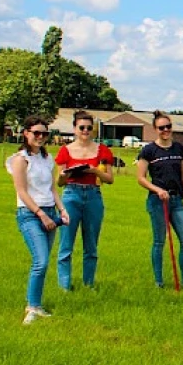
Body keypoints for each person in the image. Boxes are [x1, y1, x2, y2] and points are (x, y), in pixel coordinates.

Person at [6, 115, 70, 324]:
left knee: (43, 262)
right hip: (30, 214)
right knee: (40, 261)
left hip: (51, 212)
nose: (41, 137)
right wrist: (40, 214)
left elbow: (51, 187)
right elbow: (22, 191)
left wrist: (62, 209)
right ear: (26, 133)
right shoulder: (19, 159)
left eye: (44, 133)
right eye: (36, 133)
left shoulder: (46, 158)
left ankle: (37, 305)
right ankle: (32, 307)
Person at [55, 110, 114, 290]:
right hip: (71, 194)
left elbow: (109, 179)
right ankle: (65, 286)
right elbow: (59, 182)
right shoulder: (65, 150)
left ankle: (89, 284)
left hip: (93, 195)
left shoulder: (102, 150)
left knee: (91, 245)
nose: (86, 131)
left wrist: (94, 171)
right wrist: (66, 174)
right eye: (82, 127)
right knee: (66, 244)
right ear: (74, 129)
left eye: (89, 128)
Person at [136, 110, 183, 288]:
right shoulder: (148, 151)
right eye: (162, 127)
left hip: (177, 201)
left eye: (168, 126)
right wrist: (157, 190)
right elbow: (141, 177)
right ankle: (159, 282)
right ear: (155, 129)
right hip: (157, 202)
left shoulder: (179, 149)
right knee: (159, 241)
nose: (166, 130)